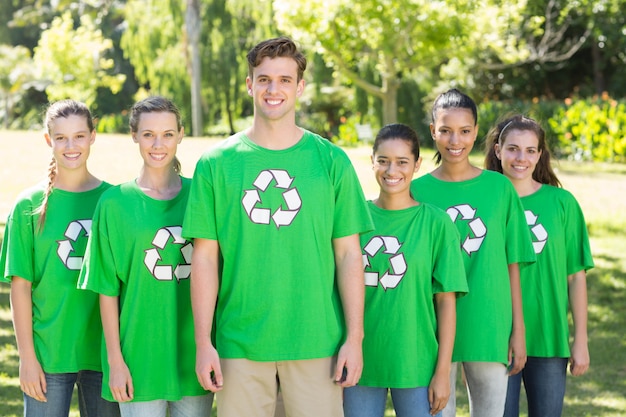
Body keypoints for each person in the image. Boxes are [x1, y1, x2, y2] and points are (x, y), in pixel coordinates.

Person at [182, 36, 373, 417]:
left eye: (285, 80)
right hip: (241, 342)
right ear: (250, 84)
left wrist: (355, 337)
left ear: (300, 87)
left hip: (317, 341)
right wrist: (204, 342)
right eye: (264, 79)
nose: (274, 89)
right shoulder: (216, 164)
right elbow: (203, 260)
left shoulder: (332, 162)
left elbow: (350, 254)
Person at [78, 96, 212, 417]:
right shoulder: (114, 203)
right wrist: (115, 361)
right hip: (139, 358)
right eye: (149, 134)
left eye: (167, 134)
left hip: (194, 356)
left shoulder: (202, 196)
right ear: (134, 135)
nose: (158, 144)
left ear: (181, 134)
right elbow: (107, 290)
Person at [409, 89, 536, 417]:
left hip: (489, 323)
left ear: (476, 132)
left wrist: (518, 331)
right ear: (433, 131)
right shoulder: (416, 191)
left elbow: (513, 264)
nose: (456, 140)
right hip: (430, 328)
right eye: (446, 130)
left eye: (465, 131)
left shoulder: (499, 188)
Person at [0, 100, 119, 417]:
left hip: (105, 353)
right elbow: (20, 287)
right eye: (61, 137)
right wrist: (26, 357)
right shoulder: (28, 205)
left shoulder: (112, 201)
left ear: (93, 136)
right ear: (48, 140)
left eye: (79, 136)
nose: (71, 146)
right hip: (48, 352)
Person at [342, 123, 468, 417]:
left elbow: (447, 302)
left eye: (402, 162)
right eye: (383, 161)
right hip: (360, 361)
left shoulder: (436, 224)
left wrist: (442, 372)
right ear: (372, 161)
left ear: (417, 164)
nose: (391, 171)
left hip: (416, 363)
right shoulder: (353, 218)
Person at [484, 114, 593, 417]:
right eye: (513, 149)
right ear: (497, 150)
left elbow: (576, 276)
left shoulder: (562, 204)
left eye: (531, 150)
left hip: (548, 335)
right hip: (496, 335)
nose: (521, 158)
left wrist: (580, 340)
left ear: (540, 154)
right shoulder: (485, 203)